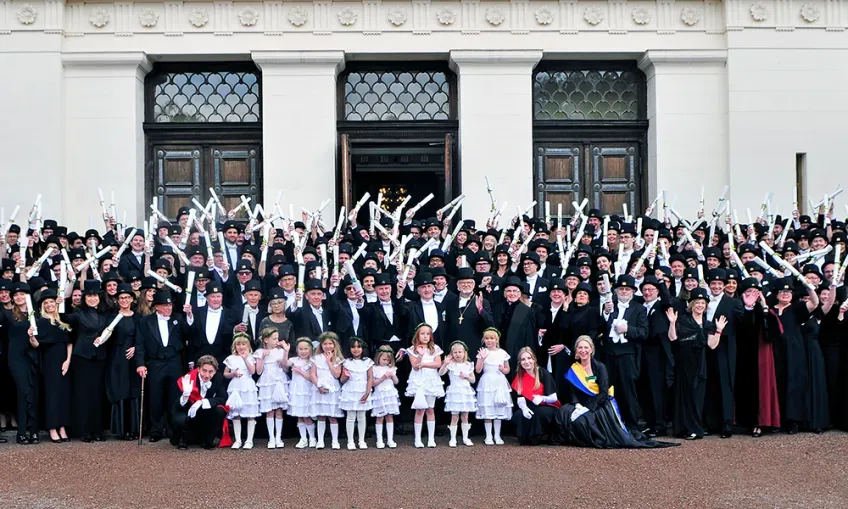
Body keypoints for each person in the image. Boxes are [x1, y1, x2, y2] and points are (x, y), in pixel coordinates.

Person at [553, 336, 677, 449]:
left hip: (599, 404)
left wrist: (589, 407)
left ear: (591, 349)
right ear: (576, 351)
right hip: (581, 404)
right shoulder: (574, 369)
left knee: (585, 419)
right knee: (563, 414)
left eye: (586, 347)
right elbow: (573, 392)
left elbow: (603, 393)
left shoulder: (600, 367)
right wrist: (577, 405)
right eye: (580, 347)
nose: (583, 350)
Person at [666, 288, 727, 440]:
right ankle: (682, 428)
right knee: (683, 396)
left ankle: (695, 429)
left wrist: (719, 331)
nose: (700, 305)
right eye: (697, 302)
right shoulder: (683, 321)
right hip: (683, 364)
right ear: (691, 304)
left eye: (703, 303)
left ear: (706, 306)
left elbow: (712, 345)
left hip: (700, 365)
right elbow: (673, 338)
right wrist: (672, 323)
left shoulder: (708, 325)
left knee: (696, 397)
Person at [135, 289, 192, 443]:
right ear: (157, 307)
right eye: (165, 306)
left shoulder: (178, 319)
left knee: (174, 396)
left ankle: (174, 429)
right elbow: (139, 344)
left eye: (170, 305)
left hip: (174, 361)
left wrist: (189, 317)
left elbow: (189, 333)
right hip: (155, 362)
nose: (169, 308)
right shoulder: (145, 322)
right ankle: (156, 430)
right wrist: (140, 364)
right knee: (155, 397)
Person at [767, 277, 820, 434]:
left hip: (794, 351)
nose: (785, 294)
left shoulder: (797, 308)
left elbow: (815, 303)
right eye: (782, 292)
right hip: (775, 350)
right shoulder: (771, 310)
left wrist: (809, 286)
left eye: (788, 292)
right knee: (777, 382)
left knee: (794, 383)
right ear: (776, 294)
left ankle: (793, 421)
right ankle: (778, 420)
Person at [600, 275, 648, 434]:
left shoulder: (639, 309)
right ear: (616, 291)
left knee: (628, 391)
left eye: (627, 289)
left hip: (627, 355)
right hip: (608, 354)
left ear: (633, 291)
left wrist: (628, 330)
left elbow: (643, 333)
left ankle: (632, 426)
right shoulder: (609, 305)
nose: (624, 291)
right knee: (607, 390)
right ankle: (610, 423)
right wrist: (606, 314)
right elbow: (601, 327)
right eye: (621, 289)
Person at [734, 277, 780, 437]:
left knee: (761, 388)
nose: (752, 295)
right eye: (748, 292)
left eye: (755, 292)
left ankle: (759, 423)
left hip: (761, 356)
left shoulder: (766, 310)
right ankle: (743, 421)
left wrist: (764, 307)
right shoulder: (738, 307)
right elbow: (742, 327)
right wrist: (748, 307)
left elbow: (774, 333)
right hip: (743, 355)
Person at [66, 280, 110, 442]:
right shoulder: (78, 312)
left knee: (97, 394)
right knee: (83, 394)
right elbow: (64, 318)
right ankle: (84, 431)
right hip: (82, 357)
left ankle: (97, 430)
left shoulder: (105, 313)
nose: (92, 299)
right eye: (89, 296)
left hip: (99, 357)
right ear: (85, 298)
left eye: (95, 296)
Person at [33, 288, 72, 443]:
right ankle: (52, 427)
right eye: (46, 302)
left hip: (64, 362)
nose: (49, 304)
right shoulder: (40, 322)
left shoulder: (61, 321)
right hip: (50, 363)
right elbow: (37, 344)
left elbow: (69, 343)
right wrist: (31, 337)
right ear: (43, 305)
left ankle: (62, 426)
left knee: (64, 394)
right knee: (52, 395)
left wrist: (68, 361)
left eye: (51, 302)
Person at [104, 283, 140, 441]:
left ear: (132, 299)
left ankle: (133, 429)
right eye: (121, 298)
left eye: (127, 297)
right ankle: (121, 429)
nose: (124, 300)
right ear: (117, 300)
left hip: (133, 357)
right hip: (117, 356)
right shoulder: (111, 317)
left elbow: (143, 337)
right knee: (120, 388)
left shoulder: (138, 317)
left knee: (133, 390)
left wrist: (136, 348)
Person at [171, 355, 230, 450]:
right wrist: (185, 395)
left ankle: (207, 441)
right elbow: (176, 406)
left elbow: (223, 398)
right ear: (198, 369)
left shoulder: (218, 378)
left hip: (203, 411)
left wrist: (202, 402)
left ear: (215, 371)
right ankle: (183, 439)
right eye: (204, 370)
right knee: (180, 418)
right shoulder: (188, 378)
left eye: (211, 371)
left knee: (219, 411)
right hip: (186, 411)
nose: (207, 375)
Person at [401, 323, 444, 448]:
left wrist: (424, 365)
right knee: (420, 409)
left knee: (430, 409)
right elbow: (415, 366)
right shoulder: (412, 349)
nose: (425, 336)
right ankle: (418, 438)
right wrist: (420, 355)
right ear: (417, 335)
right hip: (419, 381)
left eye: (428, 334)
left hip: (431, 381)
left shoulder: (434, 348)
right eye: (422, 333)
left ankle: (431, 438)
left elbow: (438, 363)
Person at [511, 347, 561, 445]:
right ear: (520, 363)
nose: (526, 361)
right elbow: (520, 398)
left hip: (547, 405)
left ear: (534, 359)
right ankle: (524, 439)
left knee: (538, 413)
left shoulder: (543, 373)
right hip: (530, 405)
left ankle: (537, 437)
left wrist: (542, 398)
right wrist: (524, 408)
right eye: (523, 359)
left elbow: (554, 398)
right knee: (519, 414)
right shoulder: (520, 376)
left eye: (529, 358)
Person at [254, 327, 291, 449]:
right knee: (270, 411)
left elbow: (286, 368)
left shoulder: (280, 351)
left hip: (279, 381)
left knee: (279, 410)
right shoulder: (259, 352)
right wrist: (262, 358)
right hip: (267, 381)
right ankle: (271, 438)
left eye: (277, 338)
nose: (277, 341)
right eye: (274, 338)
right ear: (266, 340)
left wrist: (285, 353)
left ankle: (279, 437)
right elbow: (258, 372)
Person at [475, 328, 512, 445]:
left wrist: (503, 369)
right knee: (488, 408)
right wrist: (481, 359)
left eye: (492, 338)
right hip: (487, 382)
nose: (489, 341)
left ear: (497, 339)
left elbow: (507, 370)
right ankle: (488, 436)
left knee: (498, 408)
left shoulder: (502, 353)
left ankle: (497, 435)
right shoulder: (482, 352)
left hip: (499, 382)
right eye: (486, 338)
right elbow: (478, 369)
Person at [310, 331, 344, 449]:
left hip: (332, 389)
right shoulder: (316, 358)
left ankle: (335, 441)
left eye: (330, 343)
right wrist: (318, 386)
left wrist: (329, 362)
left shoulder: (338, 359)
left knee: (332, 416)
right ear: (321, 345)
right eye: (325, 344)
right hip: (319, 389)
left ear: (334, 345)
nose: (327, 346)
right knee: (321, 416)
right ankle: (320, 440)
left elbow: (337, 375)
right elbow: (312, 374)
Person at [439, 341, 477, 447]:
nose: (458, 354)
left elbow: (473, 380)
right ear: (452, 354)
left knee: (465, 416)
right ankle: (452, 439)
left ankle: (465, 438)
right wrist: (445, 363)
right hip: (455, 393)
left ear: (464, 353)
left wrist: (467, 376)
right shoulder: (450, 365)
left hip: (465, 393)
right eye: (455, 352)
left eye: (460, 352)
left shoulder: (468, 365)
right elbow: (440, 373)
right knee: (454, 416)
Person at [339, 337, 374, 450]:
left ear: (363, 348)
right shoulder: (346, 362)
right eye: (353, 347)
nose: (356, 349)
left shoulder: (368, 362)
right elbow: (342, 380)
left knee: (362, 417)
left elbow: (370, 378)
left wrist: (368, 391)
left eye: (359, 347)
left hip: (363, 390)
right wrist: (345, 376)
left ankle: (361, 440)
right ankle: (350, 441)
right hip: (350, 390)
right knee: (350, 417)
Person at [287, 338, 317, 448]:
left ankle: (312, 438)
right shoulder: (294, 360)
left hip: (306, 390)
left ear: (310, 349)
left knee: (306, 415)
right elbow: (285, 363)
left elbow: (311, 377)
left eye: (305, 349)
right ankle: (303, 438)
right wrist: (286, 350)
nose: (303, 351)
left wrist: (300, 371)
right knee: (299, 415)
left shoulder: (312, 362)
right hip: (296, 390)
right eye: (300, 349)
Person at [371, 345, 401, 449]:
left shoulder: (391, 368)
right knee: (380, 418)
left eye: (388, 359)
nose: (386, 361)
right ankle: (379, 440)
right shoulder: (374, 368)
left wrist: (392, 375)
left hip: (390, 395)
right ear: (378, 357)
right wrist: (383, 377)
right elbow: (373, 383)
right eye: (384, 359)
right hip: (380, 395)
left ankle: (390, 439)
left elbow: (396, 382)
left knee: (389, 417)